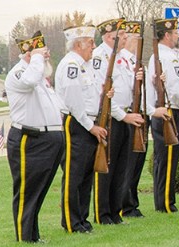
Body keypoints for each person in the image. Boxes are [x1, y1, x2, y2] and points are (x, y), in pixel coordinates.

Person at [6, 31, 66, 242]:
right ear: (28, 54)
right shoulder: (20, 73)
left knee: (39, 191)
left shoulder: (40, 77)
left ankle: (33, 235)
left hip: (48, 140)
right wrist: (37, 58)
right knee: (27, 191)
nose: (46, 55)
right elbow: (29, 81)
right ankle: (25, 237)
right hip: (29, 140)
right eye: (42, 52)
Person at [57, 17, 116, 231]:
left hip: (90, 123)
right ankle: (71, 222)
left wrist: (105, 95)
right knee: (74, 174)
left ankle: (83, 219)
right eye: (90, 43)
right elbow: (74, 102)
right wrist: (90, 126)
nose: (93, 46)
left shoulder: (86, 66)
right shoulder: (71, 66)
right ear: (79, 44)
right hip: (78, 125)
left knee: (86, 174)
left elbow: (90, 95)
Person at [146, 18, 179, 213]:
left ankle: (165, 201)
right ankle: (165, 202)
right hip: (169, 111)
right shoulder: (166, 57)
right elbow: (176, 89)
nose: (177, 36)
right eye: (175, 33)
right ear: (166, 35)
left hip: (168, 110)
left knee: (166, 159)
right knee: (166, 159)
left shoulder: (166, 55)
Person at [92, 18, 137, 225]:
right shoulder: (99, 57)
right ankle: (103, 214)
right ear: (110, 37)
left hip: (125, 115)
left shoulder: (124, 57)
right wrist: (123, 115)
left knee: (121, 167)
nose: (127, 38)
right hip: (111, 117)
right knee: (107, 167)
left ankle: (116, 211)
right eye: (123, 35)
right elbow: (103, 95)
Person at [120, 20, 149, 218]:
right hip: (129, 113)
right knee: (128, 163)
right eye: (136, 37)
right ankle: (125, 204)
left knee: (137, 161)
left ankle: (132, 202)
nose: (139, 41)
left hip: (141, 113)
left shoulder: (135, 61)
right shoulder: (123, 60)